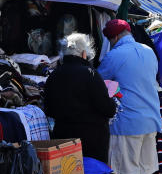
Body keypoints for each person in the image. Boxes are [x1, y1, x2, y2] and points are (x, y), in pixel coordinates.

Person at [96, 19, 161, 174]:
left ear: (113, 37)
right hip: (150, 118)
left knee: (132, 170)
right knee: (144, 170)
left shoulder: (114, 56)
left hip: (129, 121)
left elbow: (98, 82)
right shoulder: (148, 51)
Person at [43, 33, 116, 163]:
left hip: (62, 139)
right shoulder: (91, 74)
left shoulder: (54, 76)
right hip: (91, 142)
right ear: (84, 53)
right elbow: (108, 109)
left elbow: (48, 110)